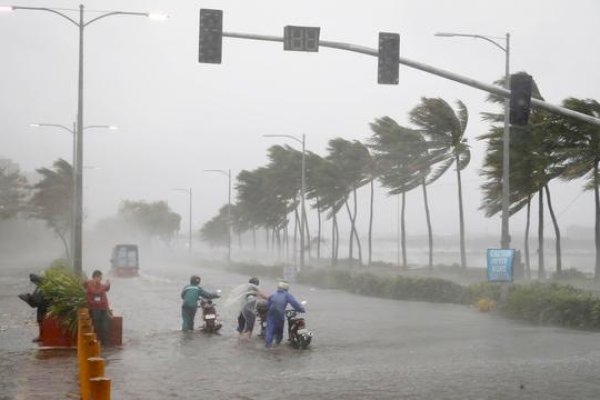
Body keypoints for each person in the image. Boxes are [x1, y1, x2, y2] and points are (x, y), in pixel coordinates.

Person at [265, 280, 305, 348]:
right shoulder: (287, 295)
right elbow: (294, 303)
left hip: (271, 314)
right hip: (280, 314)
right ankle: (277, 345)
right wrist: (301, 309)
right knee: (279, 330)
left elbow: (268, 304)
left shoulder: (273, 294)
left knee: (270, 330)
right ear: (286, 288)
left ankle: (268, 347)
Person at [17, 273, 49, 342]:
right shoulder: (38, 288)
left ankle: (43, 336)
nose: (35, 284)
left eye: (35, 282)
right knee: (40, 321)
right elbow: (34, 304)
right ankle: (41, 335)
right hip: (41, 308)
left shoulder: (44, 288)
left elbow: (38, 302)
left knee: (42, 321)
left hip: (45, 308)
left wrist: (29, 298)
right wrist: (27, 298)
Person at [84, 270, 111, 346]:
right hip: (95, 308)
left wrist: (108, 285)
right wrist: (105, 286)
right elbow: (95, 292)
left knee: (105, 326)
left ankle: (105, 343)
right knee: (96, 325)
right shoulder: (90, 285)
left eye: (100, 277)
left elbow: (106, 289)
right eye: (98, 277)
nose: (99, 279)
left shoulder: (101, 285)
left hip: (103, 308)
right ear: (94, 277)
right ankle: (96, 343)